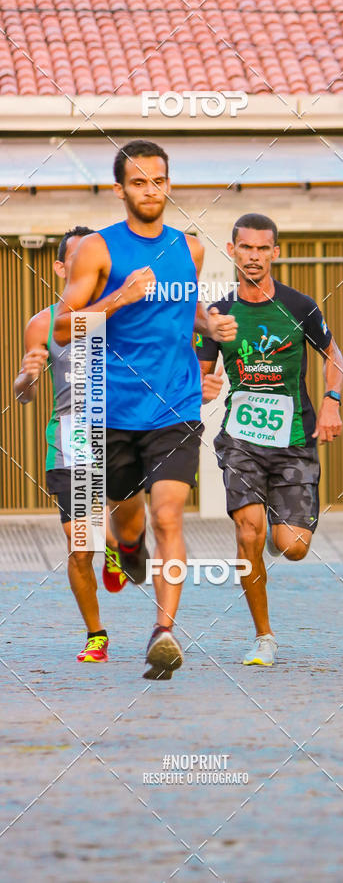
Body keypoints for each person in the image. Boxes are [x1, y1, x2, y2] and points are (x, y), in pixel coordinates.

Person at [53, 140, 237, 680]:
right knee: (126, 513)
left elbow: (185, 310)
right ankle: (127, 546)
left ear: (168, 185)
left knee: (168, 515)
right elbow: (62, 328)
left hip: (174, 406)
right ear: (120, 190)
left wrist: (209, 323)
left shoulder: (191, 249)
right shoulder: (97, 250)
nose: (150, 191)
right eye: (138, 182)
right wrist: (119, 298)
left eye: (158, 181)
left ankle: (164, 632)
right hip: (109, 409)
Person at [197, 212, 343, 667]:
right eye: (246, 247)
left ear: (275, 252)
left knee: (293, 546)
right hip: (241, 440)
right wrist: (202, 386)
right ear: (232, 250)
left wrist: (332, 400)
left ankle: (274, 531)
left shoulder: (300, 307)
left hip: (294, 437)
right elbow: (199, 374)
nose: (254, 257)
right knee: (248, 532)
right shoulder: (218, 315)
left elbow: (333, 354)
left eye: (263, 248)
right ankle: (264, 637)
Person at [14, 226, 128, 663]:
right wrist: (27, 378)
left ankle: (119, 545)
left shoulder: (122, 314)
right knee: (81, 546)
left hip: (122, 434)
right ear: (62, 267)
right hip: (71, 440)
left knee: (120, 527)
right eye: (78, 258)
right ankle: (96, 635)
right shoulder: (42, 324)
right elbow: (24, 394)